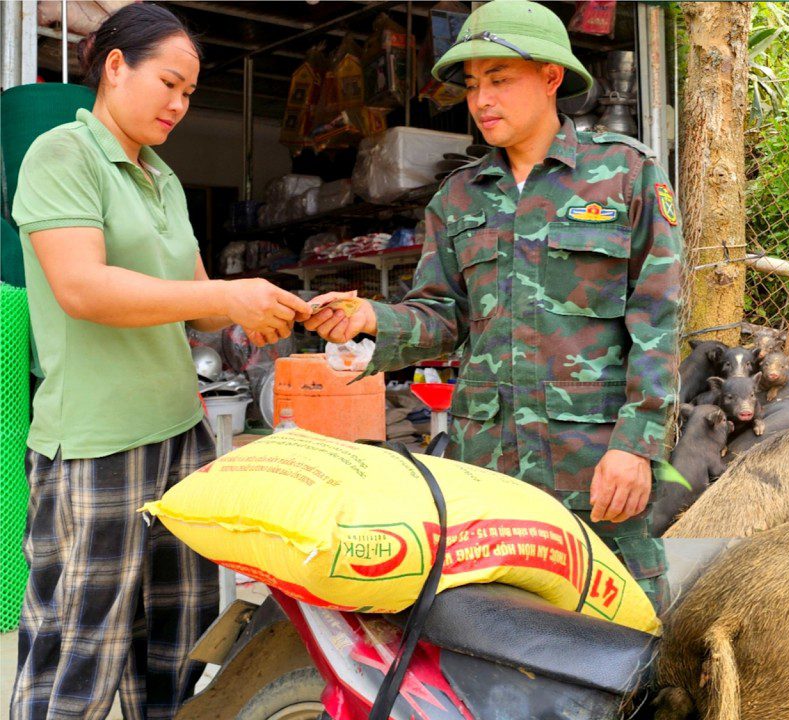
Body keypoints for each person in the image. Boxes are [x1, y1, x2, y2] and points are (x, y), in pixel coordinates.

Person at [305, 0, 682, 608]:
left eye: (500, 80)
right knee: (502, 634)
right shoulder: (457, 199)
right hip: (489, 467)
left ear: (551, 77)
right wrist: (372, 318)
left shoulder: (626, 176)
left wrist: (635, 446)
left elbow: (658, 321)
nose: (482, 100)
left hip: (595, 466)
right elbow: (442, 315)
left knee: (622, 640)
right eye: (474, 85)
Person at [9, 6, 311, 720]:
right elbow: (82, 288)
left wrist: (269, 304)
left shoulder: (162, 178)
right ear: (115, 66)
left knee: (179, 643)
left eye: (189, 94)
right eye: (169, 84)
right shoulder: (62, 155)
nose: (179, 105)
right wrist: (225, 294)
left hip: (181, 436)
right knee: (80, 648)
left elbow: (199, 306)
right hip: (96, 444)